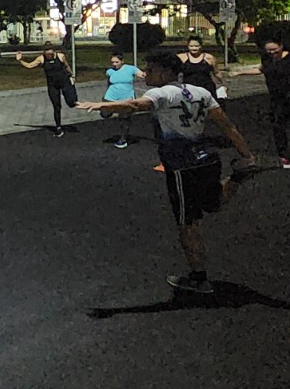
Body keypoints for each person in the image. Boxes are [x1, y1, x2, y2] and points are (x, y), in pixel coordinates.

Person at [76, 50, 255, 295]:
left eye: (150, 70)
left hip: (180, 165)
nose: (146, 74)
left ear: (165, 72)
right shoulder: (201, 93)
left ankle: (199, 278)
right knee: (213, 203)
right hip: (206, 158)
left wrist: (102, 104)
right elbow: (227, 126)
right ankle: (237, 176)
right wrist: (247, 155)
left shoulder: (160, 93)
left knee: (187, 224)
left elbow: (135, 104)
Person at [259, 37, 290, 167]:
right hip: (276, 97)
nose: (271, 53)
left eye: (274, 49)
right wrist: (238, 72)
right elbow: (262, 69)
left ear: (281, 46)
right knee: (277, 125)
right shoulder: (266, 59)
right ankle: (283, 155)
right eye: (268, 50)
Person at [15, 43, 78, 136]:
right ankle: (58, 128)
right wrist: (20, 60)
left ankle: (75, 100)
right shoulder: (41, 59)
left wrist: (72, 76)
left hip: (65, 82)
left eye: (51, 54)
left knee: (71, 103)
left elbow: (66, 66)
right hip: (52, 85)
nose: (50, 56)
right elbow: (29, 66)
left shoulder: (60, 56)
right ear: (44, 53)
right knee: (56, 106)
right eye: (48, 54)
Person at [101, 52, 145, 147]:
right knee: (104, 113)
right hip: (112, 95)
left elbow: (142, 75)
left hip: (126, 97)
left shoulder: (130, 69)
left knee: (124, 118)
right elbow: (108, 83)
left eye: (116, 62)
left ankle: (123, 138)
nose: (114, 64)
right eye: (112, 62)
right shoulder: (109, 71)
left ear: (122, 61)